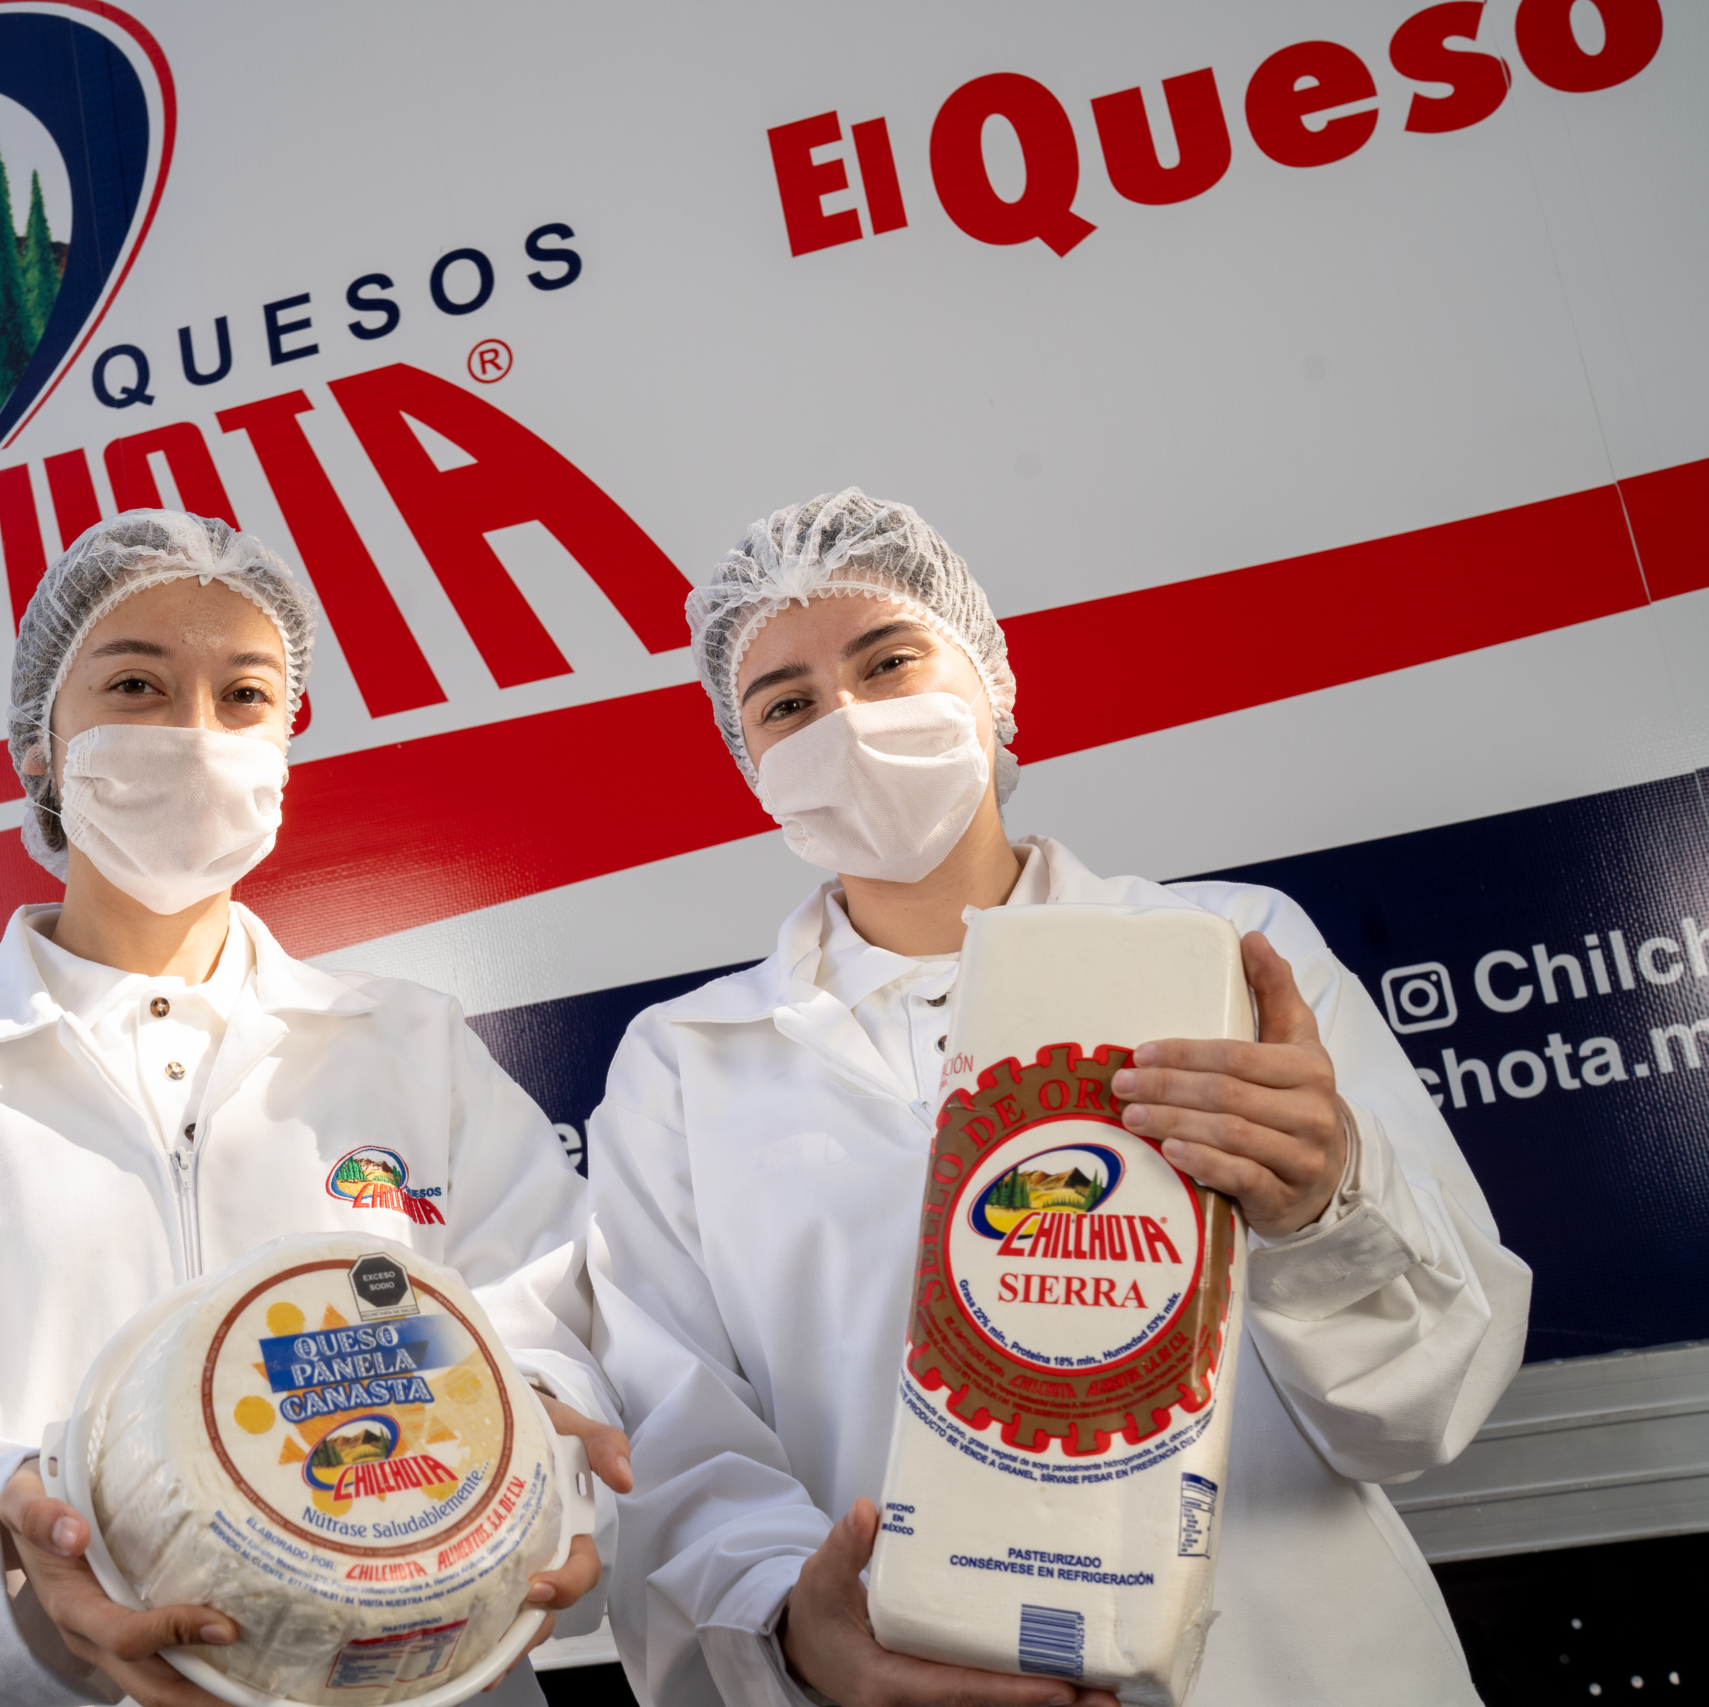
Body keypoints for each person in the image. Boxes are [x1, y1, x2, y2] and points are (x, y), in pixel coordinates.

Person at [0, 511, 630, 1707]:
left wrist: (538, 1466)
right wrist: (24, 1550)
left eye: (244, 695)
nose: (196, 735)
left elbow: (550, 1322)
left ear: (285, 742)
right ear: (39, 748)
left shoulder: (407, 1046)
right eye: (136, 686)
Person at [587, 490, 1531, 1707]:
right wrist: (795, 1629)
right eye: (787, 705)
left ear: (990, 681)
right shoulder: (685, 1065)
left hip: (1301, 1668)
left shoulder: (1230, 951)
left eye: (887, 662)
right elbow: (677, 1441)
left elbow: (1422, 1409)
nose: (849, 722)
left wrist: (1322, 1210)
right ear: (750, 764)